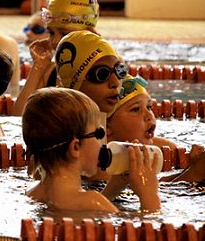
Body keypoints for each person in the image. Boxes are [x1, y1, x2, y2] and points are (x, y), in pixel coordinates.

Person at [22, 87, 161, 212]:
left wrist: (113, 188)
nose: (102, 142)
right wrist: (149, 196)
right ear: (75, 147)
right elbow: (135, 233)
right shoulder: (93, 201)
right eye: (99, 134)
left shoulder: (32, 194)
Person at [11, 0, 100, 115]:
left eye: (65, 34)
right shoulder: (49, 71)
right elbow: (18, 118)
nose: (55, 41)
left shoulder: (106, 71)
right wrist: (38, 67)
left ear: (90, 33)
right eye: (51, 33)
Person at [107, 74, 205, 183]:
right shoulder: (101, 165)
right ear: (106, 126)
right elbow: (150, 193)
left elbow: (161, 183)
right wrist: (195, 173)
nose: (149, 115)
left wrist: (191, 168)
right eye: (135, 109)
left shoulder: (163, 148)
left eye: (149, 107)